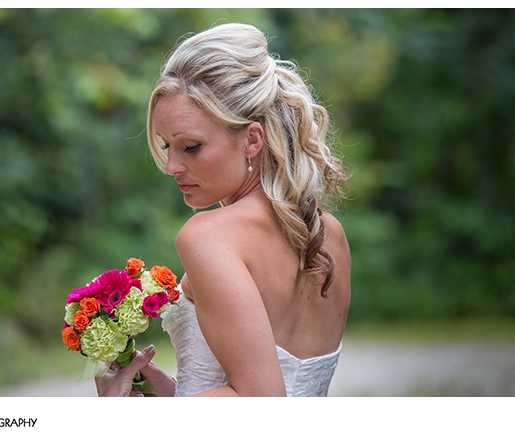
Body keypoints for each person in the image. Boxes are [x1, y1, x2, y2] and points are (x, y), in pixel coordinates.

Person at [95, 22, 350, 397]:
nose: (171, 166)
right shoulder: (328, 233)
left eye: (191, 146)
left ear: (251, 139)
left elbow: (261, 403)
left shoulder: (208, 235)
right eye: (167, 146)